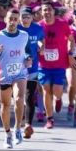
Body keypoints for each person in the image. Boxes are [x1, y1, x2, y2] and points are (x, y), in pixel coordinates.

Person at [0, 9, 30, 148]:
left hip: (20, 73)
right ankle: (7, 134)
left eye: (15, 19)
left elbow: (28, 52)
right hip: (4, 74)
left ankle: (18, 128)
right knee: (5, 105)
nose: (12, 22)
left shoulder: (24, 35)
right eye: (10, 19)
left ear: (18, 21)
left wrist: (29, 59)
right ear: (5, 19)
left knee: (19, 98)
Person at [38, 3, 76, 129]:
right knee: (46, 90)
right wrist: (40, 46)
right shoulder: (39, 26)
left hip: (59, 63)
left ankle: (58, 99)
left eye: (49, 10)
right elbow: (35, 41)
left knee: (57, 91)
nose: (47, 12)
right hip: (43, 64)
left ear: (54, 12)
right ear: (41, 13)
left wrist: (70, 54)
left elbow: (71, 39)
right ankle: (49, 119)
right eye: (44, 10)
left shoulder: (62, 24)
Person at [17, 7, 43, 138]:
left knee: (29, 95)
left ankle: (28, 124)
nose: (25, 19)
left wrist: (42, 47)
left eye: (28, 16)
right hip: (16, 67)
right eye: (23, 16)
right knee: (18, 96)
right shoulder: (15, 29)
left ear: (32, 17)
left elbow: (41, 41)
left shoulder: (37, 29)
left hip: (32, 67)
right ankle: (20, 118)